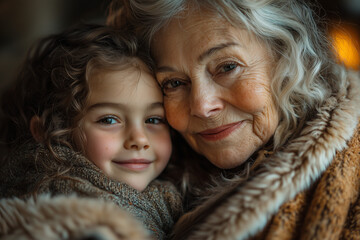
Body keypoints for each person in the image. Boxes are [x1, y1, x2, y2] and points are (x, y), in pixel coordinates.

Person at [107, 0, 360, 239]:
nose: (202, 106)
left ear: (286, 57)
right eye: (174, 83)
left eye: (227, 67)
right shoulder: (141, 176)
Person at [0, 23, 182, 239]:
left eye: (153, 119)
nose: (139, 139)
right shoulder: (61, 201)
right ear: (48, 129)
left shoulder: (170, 197)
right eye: (109, 119)